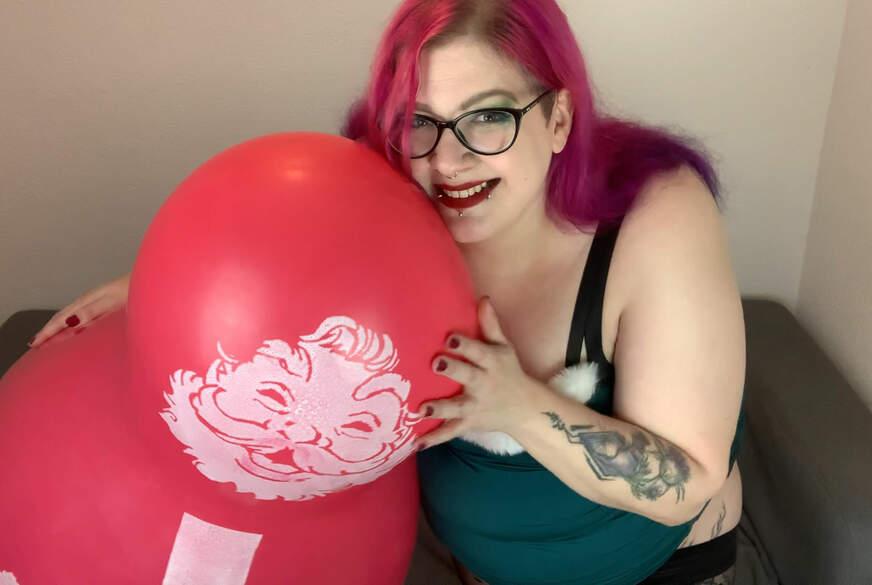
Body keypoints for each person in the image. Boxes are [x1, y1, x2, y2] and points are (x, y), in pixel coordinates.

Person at [29, 1, 746, 584]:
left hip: (657, 565)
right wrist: (153, 283)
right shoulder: (389, 185)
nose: (449, 159)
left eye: (489, 116)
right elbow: (271, 255)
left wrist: (517, 405)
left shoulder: (655, 218)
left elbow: (687, 480)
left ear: (557, 118)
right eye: (419, 122)